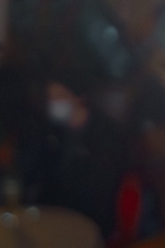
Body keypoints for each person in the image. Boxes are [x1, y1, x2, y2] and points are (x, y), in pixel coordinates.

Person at [16, 68, 130, 242]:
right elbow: (33, 169)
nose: (52, 102)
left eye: (59, 96)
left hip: (89, 225)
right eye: (49, 96)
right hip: (52, 219)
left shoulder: (107, 136)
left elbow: (102, 195)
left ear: (79, 97)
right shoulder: (52, 130)